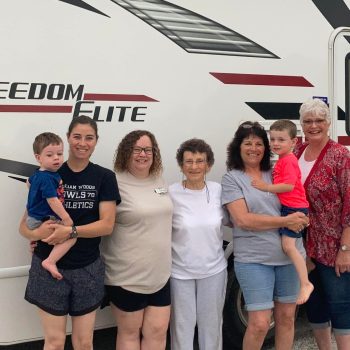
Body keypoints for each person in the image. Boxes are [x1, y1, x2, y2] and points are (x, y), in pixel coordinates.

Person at [19, 115, 120, 350]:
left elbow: (107, 225)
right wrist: (37, 235)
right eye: (77, 136)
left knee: (84, 343)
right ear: (68, 138)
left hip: (87, 268)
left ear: (96, 141)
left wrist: (69, 231)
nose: (82, 143)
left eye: (89, 137)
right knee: (54, 342)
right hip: (47, 266)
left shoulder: (104, 177)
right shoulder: (45, 174)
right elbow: (23, 227)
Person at [221, 121, 309, 350]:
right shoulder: (232, 178)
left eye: (259, 143)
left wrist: (303, 217)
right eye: (247, 143)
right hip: (254, 259)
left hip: (289, 257)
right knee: (260, 324)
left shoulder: (277, 170)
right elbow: (243, 220)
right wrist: (285, 221)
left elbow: (297, 196)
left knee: (287, 319)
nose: (253, 148)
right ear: (238, 147)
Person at [101, 130, 173, 350]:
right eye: (137, 149)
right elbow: (95, 221)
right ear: (127, 152)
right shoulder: (113, 182)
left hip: (160, 275)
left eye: (148, 149)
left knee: (158, 332)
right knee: (130, 334)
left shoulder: (158, 180)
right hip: (127, 277)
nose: (143, 154)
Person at [295, 98, 350, 350]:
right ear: (301, 125)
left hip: (333, 245)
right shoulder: (297, 153)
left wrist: (345, 249)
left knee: (339, 304)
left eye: (319, 120)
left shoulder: (340, 155)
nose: (313, 125)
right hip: (304, 246)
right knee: (314, 304)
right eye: (308, 121)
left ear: (328, 123)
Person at [168, 138, 227, 350]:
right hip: (180, 272)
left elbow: (235, 218)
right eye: (189, 161)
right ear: (181, 165)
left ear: (208, 165)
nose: (194, 167)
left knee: (211, 328)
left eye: (200, 161)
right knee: (182, 329)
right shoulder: (171, 193)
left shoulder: (218, 190)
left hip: (214, 271)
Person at [251, 120, 313, 305]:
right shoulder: (282, 160)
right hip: (291, 207)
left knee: (288, 247)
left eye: (281, 140)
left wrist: (265, 187)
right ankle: (305, 278)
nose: (276, 143)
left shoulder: (289, 161)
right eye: (273, 139)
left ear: (294, 142)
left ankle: (305, 283)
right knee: (288, 246)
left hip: (295, 208)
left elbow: (289, 185)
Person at [26, 132, 75, 280]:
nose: (56, 158)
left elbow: (28, 182)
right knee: (72, 236)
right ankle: (50, 261)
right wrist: (67, 220)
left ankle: (36, 242)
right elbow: (53, 201)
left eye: (59, 154)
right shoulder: (47, 177)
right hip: (41, 219)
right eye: (49, 155)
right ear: (38, 157)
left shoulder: (40, 174)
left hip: (35, 218)